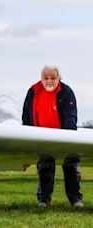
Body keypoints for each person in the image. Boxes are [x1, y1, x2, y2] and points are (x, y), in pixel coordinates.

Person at [22, 66, 82, 208]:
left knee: (71, 167)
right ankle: (44, 200)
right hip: (42, 137)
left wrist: (67, 137)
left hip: (64, 136)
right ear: (41, 79)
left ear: (59, 78)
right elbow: (26, 115)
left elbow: (70, 116)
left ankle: (76, 200)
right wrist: (27, 134)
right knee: (45, 168)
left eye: (53, 78)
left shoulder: (66, 92)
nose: (49, 81)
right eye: (46, 78)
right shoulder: (33, 91)